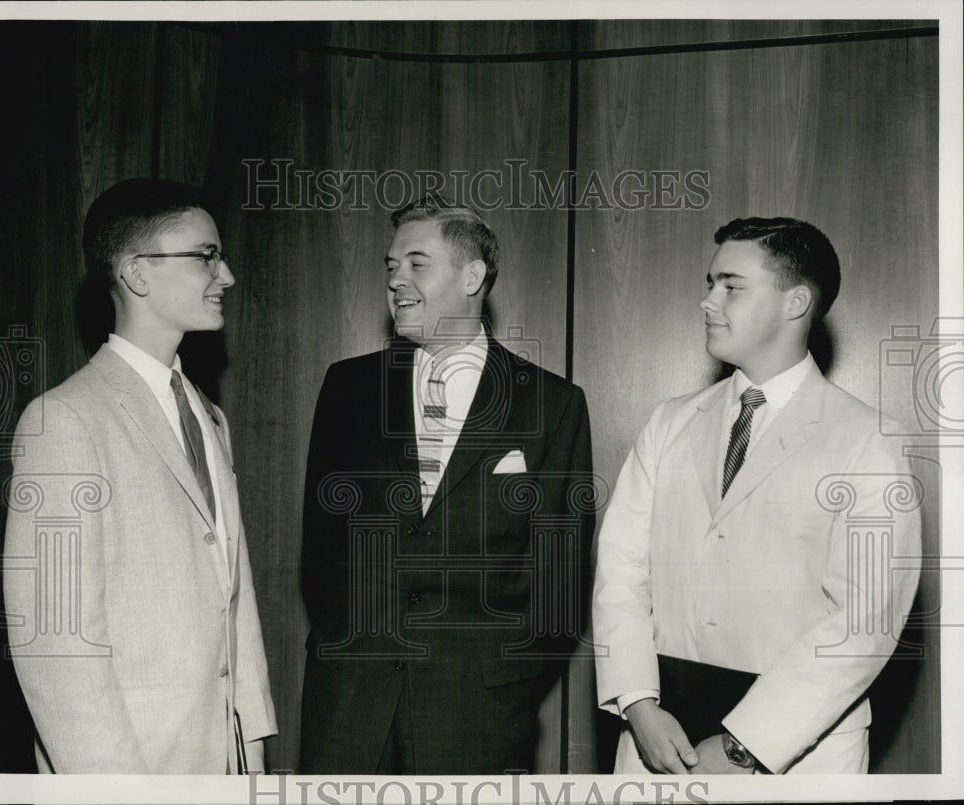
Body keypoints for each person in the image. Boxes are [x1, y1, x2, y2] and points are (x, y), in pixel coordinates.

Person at [592, 217, 921, 774]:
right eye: (709, 283)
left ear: (795, 301)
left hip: (796, 751)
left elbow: (863, 621)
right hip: (658, 734)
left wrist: (746, 745)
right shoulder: (669, 422)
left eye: (730, 285)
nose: (707, 301)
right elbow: (621, 570)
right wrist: (639, 704)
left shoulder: (869, 439)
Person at [299, 193, 595, 774]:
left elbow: (559, 577)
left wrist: (502, 678)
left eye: (416, 263)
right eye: (390, 266)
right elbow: (321, 551)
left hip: (478, 714)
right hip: (350, 708)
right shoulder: (348, 388)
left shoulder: (552, 403)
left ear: (473, 275)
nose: (396, 280)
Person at [3, 178, 277, 773]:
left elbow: (235, 596)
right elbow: (56, 644)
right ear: (137, 273)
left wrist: (252, 749)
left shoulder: (209, 416)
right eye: (207, 256)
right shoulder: (64, 419)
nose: (225, 275)